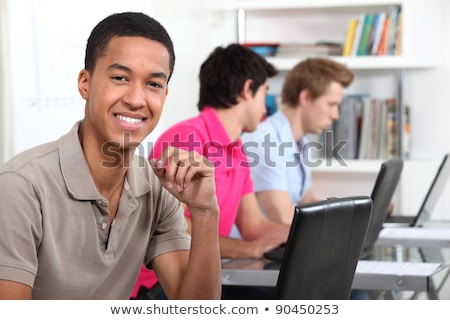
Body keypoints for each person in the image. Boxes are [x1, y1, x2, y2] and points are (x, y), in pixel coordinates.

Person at [0, 12, 221, 300]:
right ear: (85, 84)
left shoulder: (157, 186)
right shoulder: (20, 186)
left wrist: (206, 212)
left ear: (165, 94)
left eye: (153, 84)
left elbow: (195, 310)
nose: (136, 99)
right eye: (120, 77)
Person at [132, 43, 291, 300]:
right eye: (265, 93)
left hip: (207, 274)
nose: (266, 107)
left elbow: (253, 225)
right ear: (247, 89)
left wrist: (302, 235)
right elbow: (178, 230)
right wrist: (250, 249)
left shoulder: (237, 148)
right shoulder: (186, 139)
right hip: (161, 286)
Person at [241, 57, 355, 225]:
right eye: (331, 104)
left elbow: (306, 202)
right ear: (306, 97)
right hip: (261, 248)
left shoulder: (302, 143)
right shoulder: (264, 141)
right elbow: (284, 218)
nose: (335, 115)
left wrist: (352, 216)